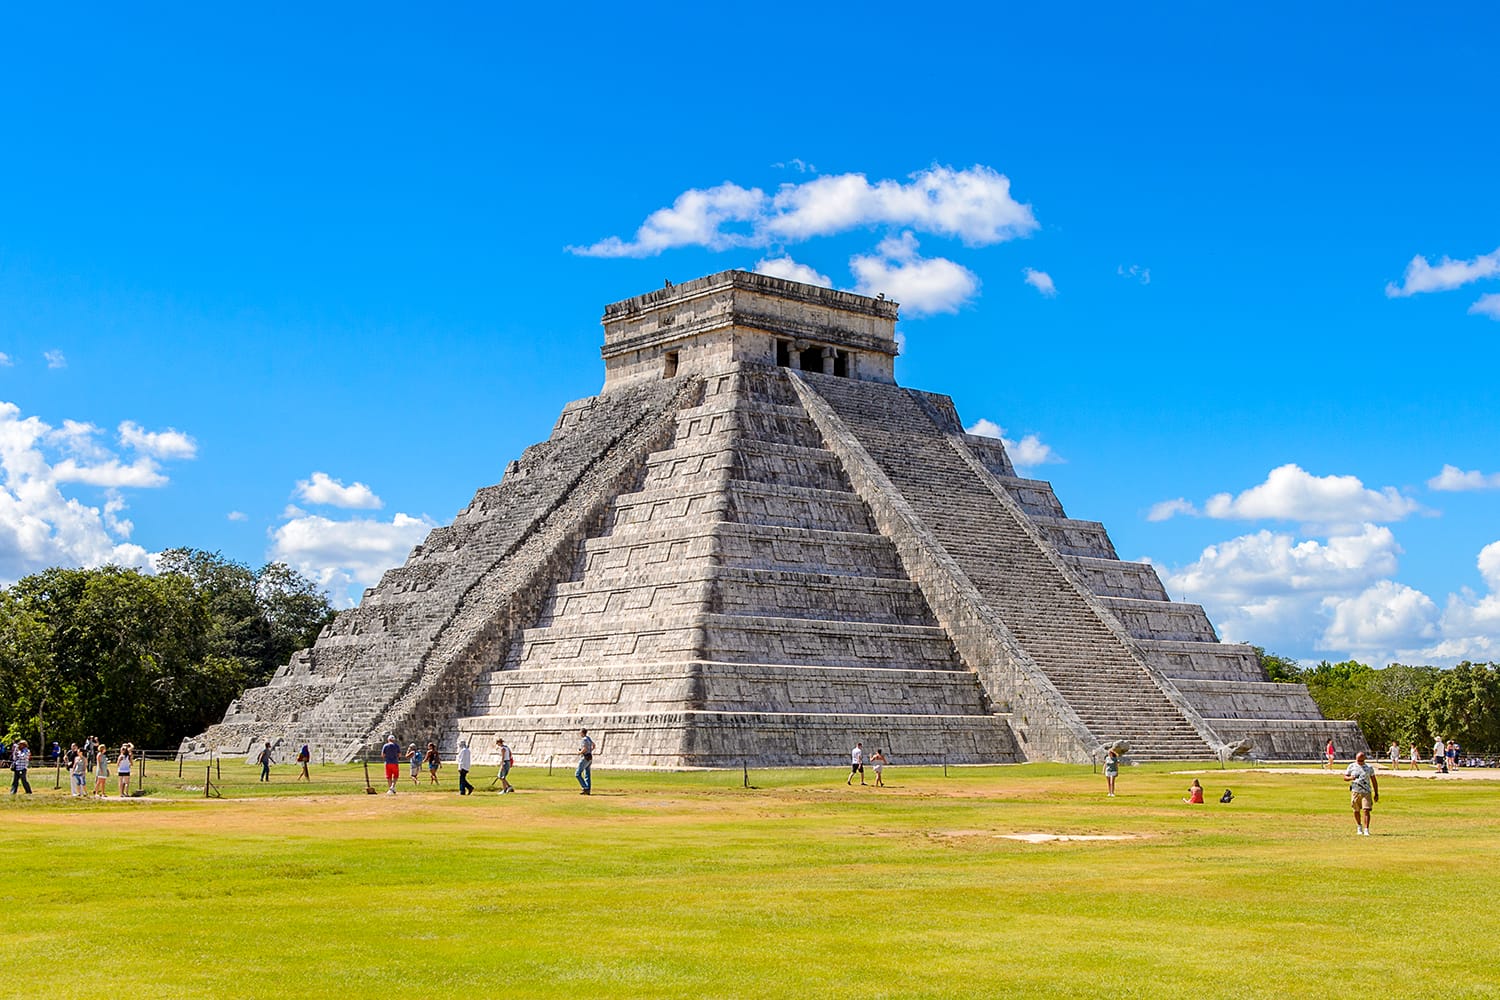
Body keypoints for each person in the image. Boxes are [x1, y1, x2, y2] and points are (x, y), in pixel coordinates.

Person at [1343, 750, 1379, 835]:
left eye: (1361, 760)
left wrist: (1376, 793)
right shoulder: (1352, 766)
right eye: (1358, 760)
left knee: (1366, 810)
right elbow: (1345, 777)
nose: (1359, 762)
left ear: (1364, 759)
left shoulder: (1369, 768)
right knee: (1356, 810)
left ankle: (1366, 829)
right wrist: (1351, 778)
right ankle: (1359, 826)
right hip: (1355, 791)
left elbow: (1374, 780)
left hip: (1366, 792)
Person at [575, 728, 594, 795]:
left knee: (577, 774)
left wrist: (580, 752)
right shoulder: (588, 738)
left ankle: (585, 787)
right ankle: (588, 789)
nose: (580, 734)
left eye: (580, 732)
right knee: (587, 774)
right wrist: (590, 750)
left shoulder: (584, 740)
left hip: (585, 757)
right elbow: (593, 745)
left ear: (582, 733)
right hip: (590, 757)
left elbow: (584, 749)